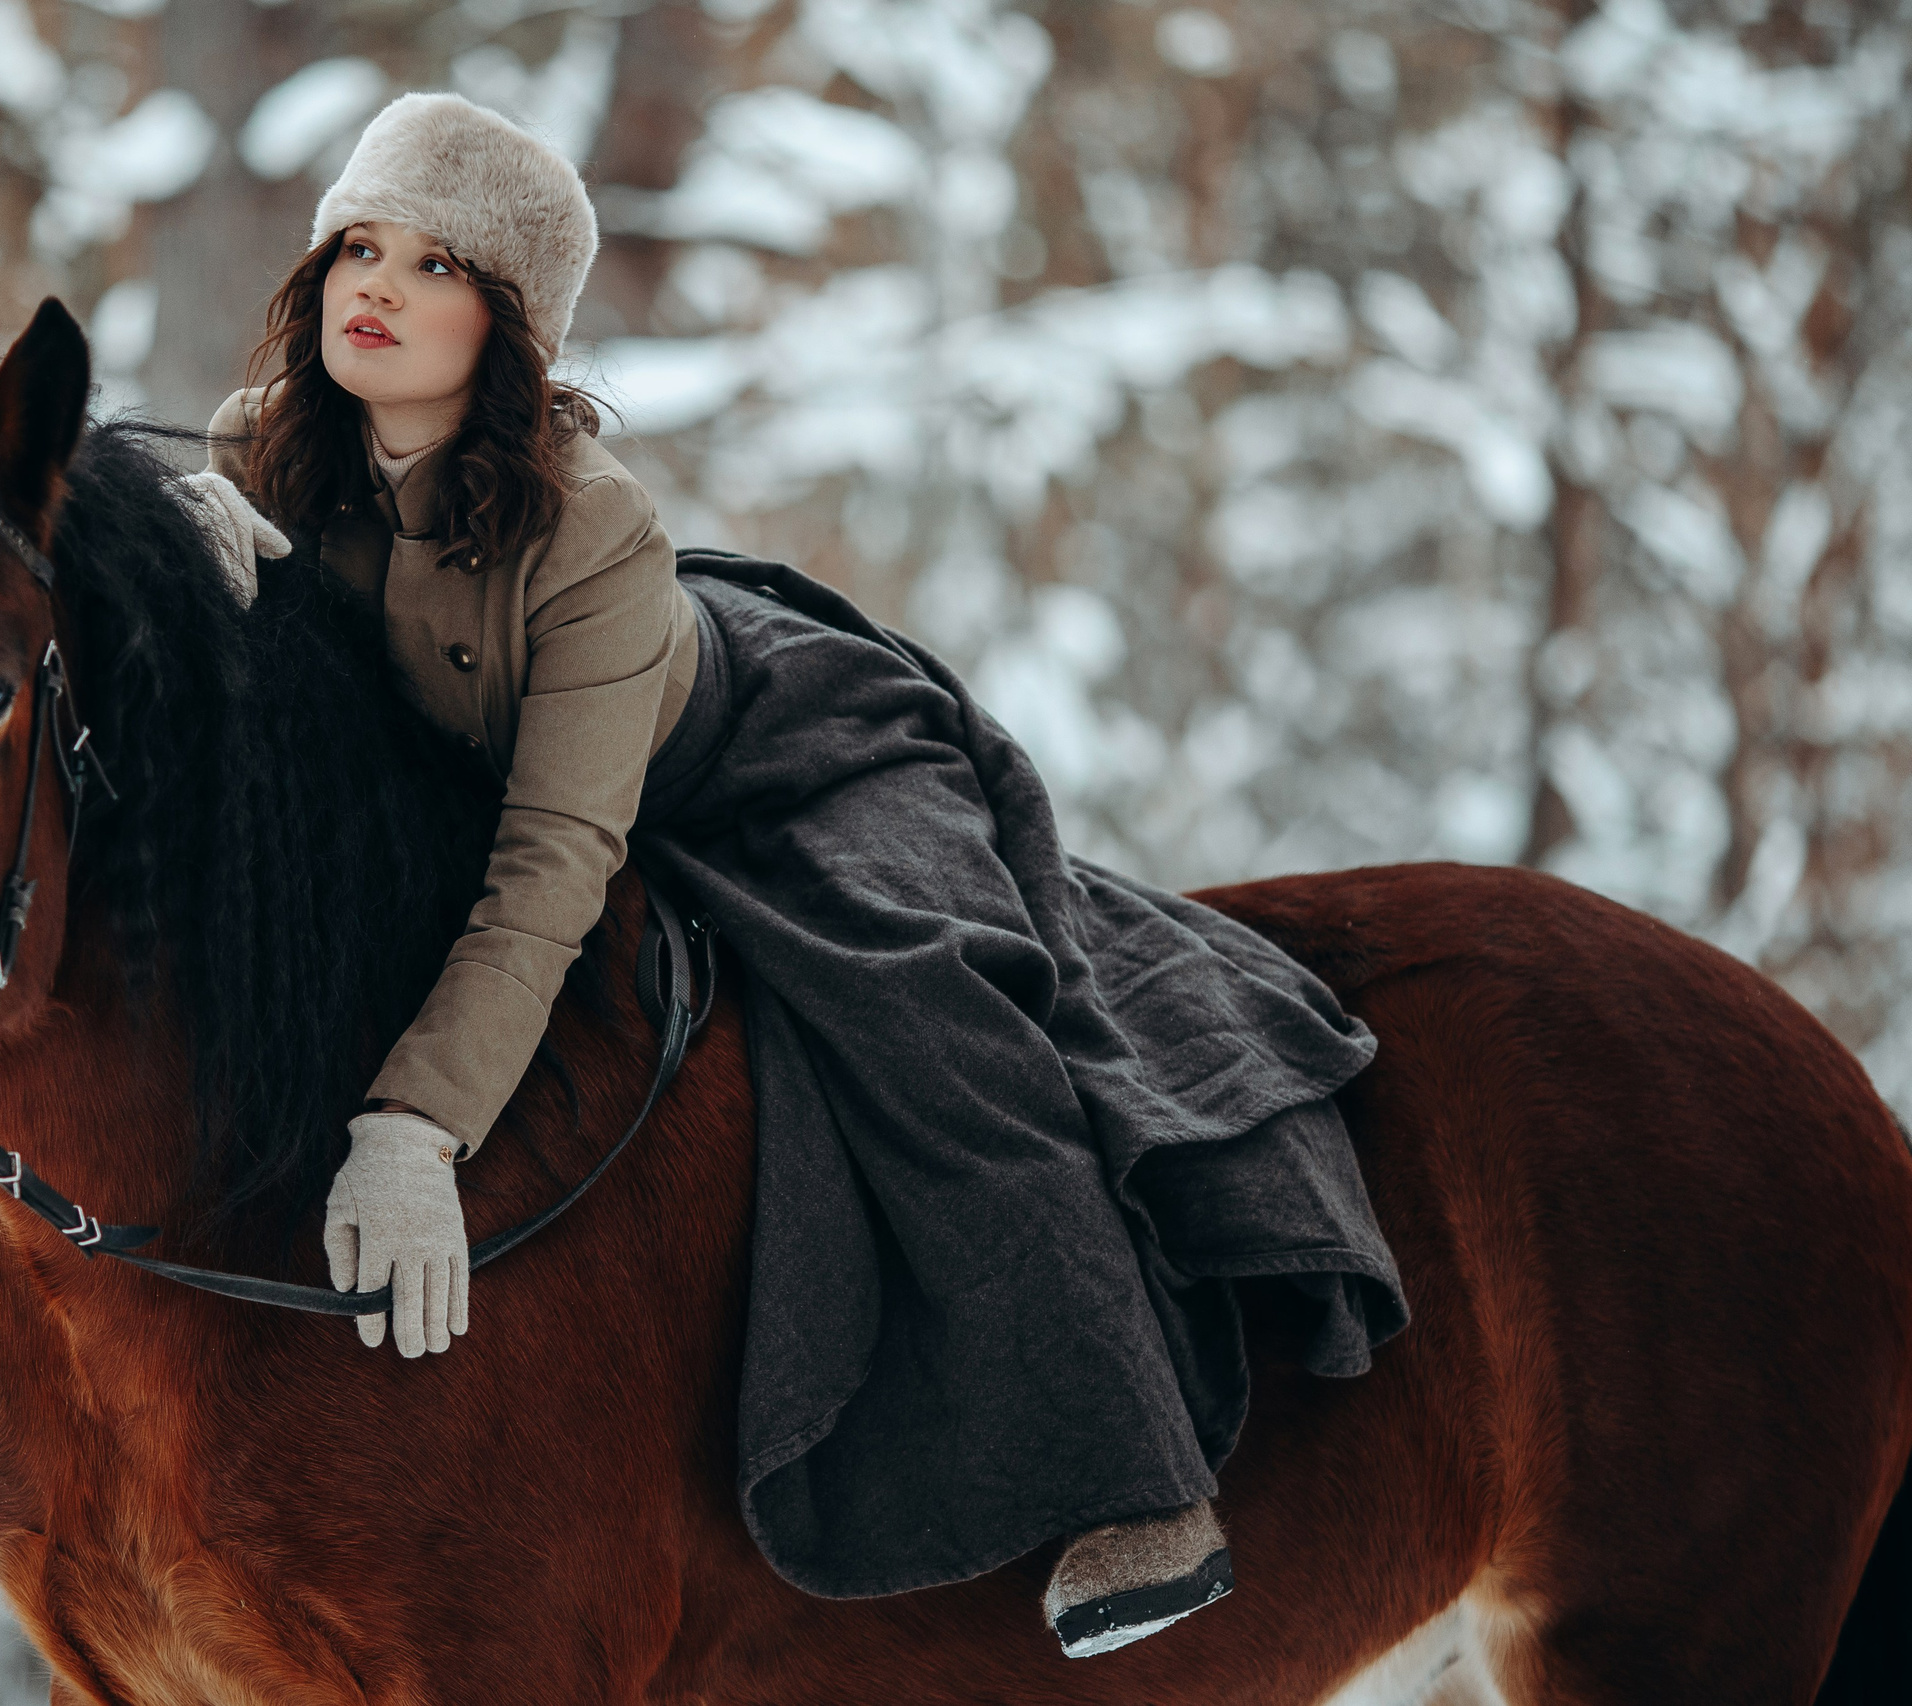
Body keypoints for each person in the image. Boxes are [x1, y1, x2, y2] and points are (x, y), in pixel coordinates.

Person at [185, 91, 1407, 1659]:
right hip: (547, 769)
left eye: (437, 266)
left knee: (933, 1013)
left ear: (507, 331)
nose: (379, 286)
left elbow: (554, 858)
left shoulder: (592, 532)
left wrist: (419, 1123)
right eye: (360, 244)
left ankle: (1137, 1476)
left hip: (778, 758)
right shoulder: (256, 455)